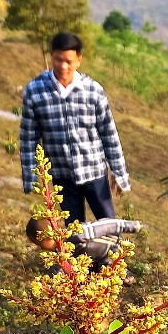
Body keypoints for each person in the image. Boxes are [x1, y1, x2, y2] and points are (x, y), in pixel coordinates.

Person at [19, 31, 130, 225]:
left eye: (69, 61)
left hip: (94, 172)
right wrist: (30, 175)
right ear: (51, 56)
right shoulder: (35, 91)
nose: (63, 66)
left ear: (79, 60)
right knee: (75, 233)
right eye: (58, 59)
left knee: (109, 228)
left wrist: (119, 172)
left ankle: (108, 257)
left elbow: (109, 133)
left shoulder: (93, 91)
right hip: (62, 176)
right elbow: (29, 138)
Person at [25, 217, 144, 272]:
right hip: (96, 261)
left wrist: (132, 226)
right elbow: (62, 271)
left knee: (113, 267)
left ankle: (124, 272)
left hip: (113, 247)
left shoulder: (76, 233)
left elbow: (107, 225)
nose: (40, 248)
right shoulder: (58, 256)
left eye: (39, 243)